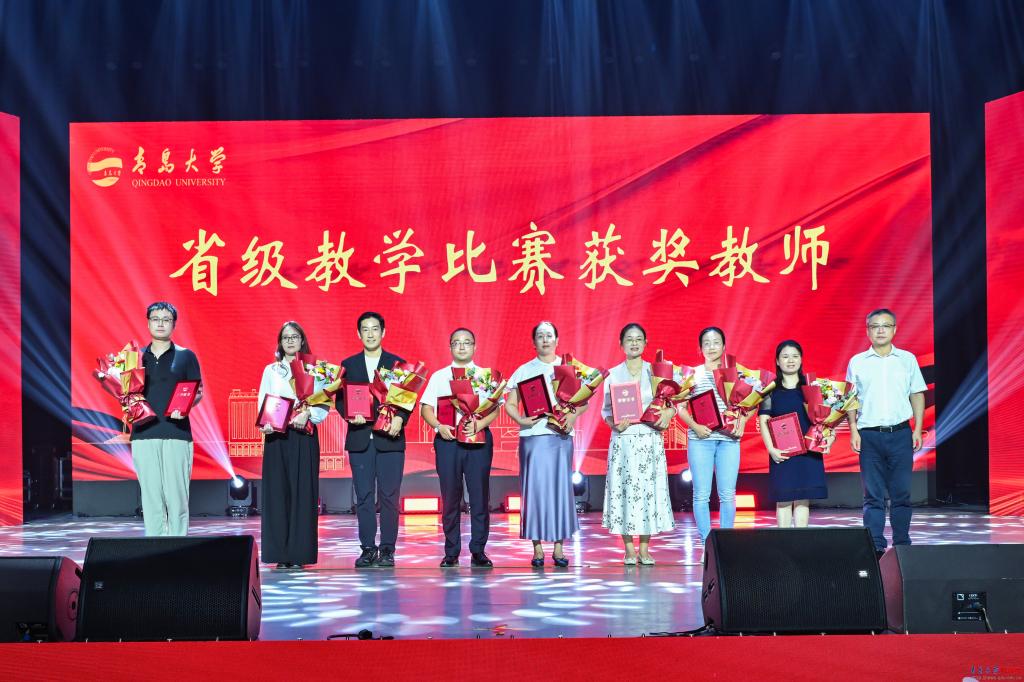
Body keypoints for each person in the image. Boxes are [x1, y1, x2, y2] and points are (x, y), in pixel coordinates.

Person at [845, 308, 926, 557]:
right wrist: (853, 430)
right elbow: (850, 399)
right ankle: (875, 546)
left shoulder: (907, 359)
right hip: (869, 436)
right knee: (873, 495)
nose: (880, 330)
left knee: (901, 493)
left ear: (894, 329)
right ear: (867, 331)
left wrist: (918, 429)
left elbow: (916, 394)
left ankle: (902, 545)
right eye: (875, 326)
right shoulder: (857, 361)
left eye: (886, 326)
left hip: (901, 434)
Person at [504, 321, 583, 567]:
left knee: (561, 490)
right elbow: (509, 403)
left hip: (560, 437)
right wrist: (521, 420)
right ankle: (537, 548)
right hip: (533, 438)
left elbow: (583, 401)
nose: (545, 340)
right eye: (540, 336)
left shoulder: (568, 368)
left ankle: (559, 548)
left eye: (549, 336)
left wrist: (572, 418)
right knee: (534, 491)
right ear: (534, 342)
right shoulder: (524, 370)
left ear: (557, 340)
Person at [419, 328, 499, 568]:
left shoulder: (485, 375)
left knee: (479, 496)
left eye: (467, 342)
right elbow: (426, 408)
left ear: (475, 346)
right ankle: (451, 551)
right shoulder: (439, 377)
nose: (462, 347)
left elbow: (495, 407)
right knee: (450, 497)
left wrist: (480, 424)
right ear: (450, 347)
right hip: (448, 442)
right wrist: (438, 426)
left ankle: (478, 550)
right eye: (456, 343)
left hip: (478, 441)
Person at [339, 311, 411, 569]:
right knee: (364, 497)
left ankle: (388, 549)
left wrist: (400, 418)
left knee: (390, 496)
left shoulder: (396, 363)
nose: (370, 334)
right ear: (359, 334)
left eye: (375, 329)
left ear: (383, 332)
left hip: (390, 439)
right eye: (365, 330)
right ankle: (368, 549)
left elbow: (407, 397)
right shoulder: (348, 364)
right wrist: (350, 415)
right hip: (360, 440)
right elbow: (339, 399)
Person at [124, 301, 202, 536]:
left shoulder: (186, 356)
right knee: (151, 498)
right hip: (143, 434)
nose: (160, 323)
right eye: (155, 319)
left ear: (174, 324)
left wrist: (186, 406)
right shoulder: (135, 358)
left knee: (177, 498)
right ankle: (156, 546)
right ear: (148, 323)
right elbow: (126, 392)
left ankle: (178, 546)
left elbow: (197, 391)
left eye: (166, 319)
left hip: (176, 433)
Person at [601, 323, 675, 565]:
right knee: (624, 491)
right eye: (629, 339)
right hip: (623, 441)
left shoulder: (656, 372)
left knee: (647, 492)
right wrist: (614, 424)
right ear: (621, 344)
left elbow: (672, 403)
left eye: (639, 339)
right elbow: (605, 411)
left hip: (649, 439)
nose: (634, 343)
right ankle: (628, 549)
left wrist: (668, 413)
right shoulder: (612, 374)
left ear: (645, 343)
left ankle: (644, 548)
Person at [257, 322, 328, 569]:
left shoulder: (316, 369)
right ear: (280, 342)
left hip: (304, 436)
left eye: (294, 337)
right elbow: (263, 400)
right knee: (277, 494)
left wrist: (308, 414)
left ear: (302, 340)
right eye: (285, 337)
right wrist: (265, 422)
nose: (290, 341)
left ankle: (299, 554)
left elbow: (323, 403)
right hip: (277, 437)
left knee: (303, 493)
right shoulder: (271, 370)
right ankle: (280, 553)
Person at [677, 327, 747, 543]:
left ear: (724, 346)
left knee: (727, 494)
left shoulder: (735, 373)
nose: (711, 347)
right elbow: (680, 408)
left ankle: (726, 544)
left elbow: (749, 404)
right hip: (701, 440)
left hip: (729, 441)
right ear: (700, 348)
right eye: (706, 343)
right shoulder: (692, 375)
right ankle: (706, 544)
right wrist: (695, 426)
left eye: (716, 342)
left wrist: (742, 422)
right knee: (701, 494)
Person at [757, 340, 831, 528]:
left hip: (809, 451)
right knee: (783, 498)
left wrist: (829, 438)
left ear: (801, 359)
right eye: (785, 356)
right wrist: (771, 449)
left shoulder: (812, 388)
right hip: (782, 452)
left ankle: (800, 540)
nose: (790, 360)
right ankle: (784, 541)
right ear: (777, 361)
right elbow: (764, 420)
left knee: (803, 499)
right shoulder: (770, 390)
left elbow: (826, 419)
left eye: (795, 356)